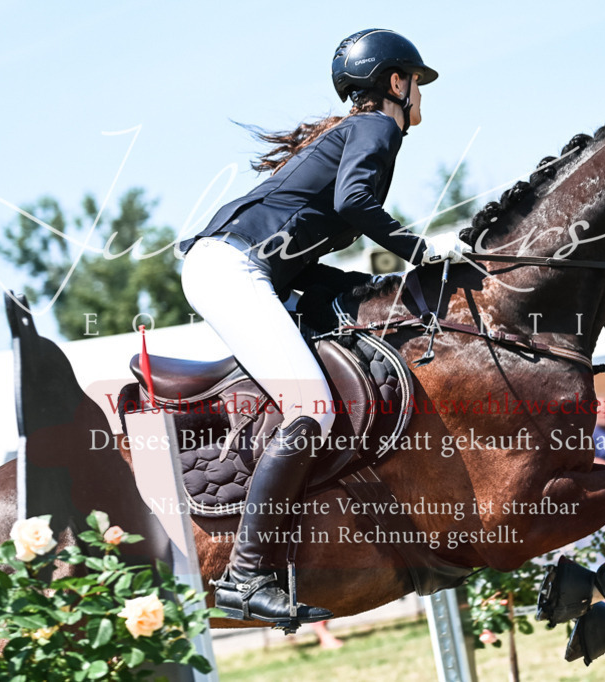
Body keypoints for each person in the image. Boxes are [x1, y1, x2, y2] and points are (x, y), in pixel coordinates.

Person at [177, 29, 467, 625]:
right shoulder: (377, 127)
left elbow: (306, 259)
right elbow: (357, 204)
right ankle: (246, 575)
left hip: (239, 268)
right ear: (396, 82)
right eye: (417, 82)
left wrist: (376, 288)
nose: (420, 95)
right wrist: (424, 253)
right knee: (311, 409)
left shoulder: (357, 131)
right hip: (233, 268)